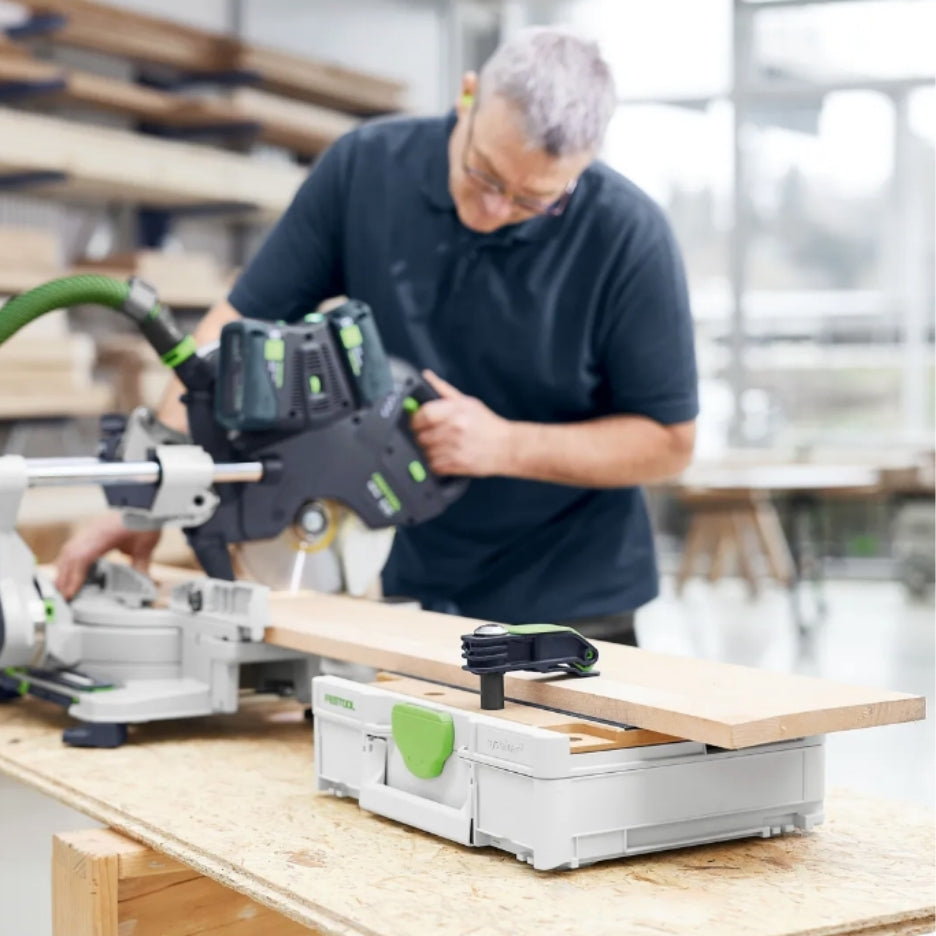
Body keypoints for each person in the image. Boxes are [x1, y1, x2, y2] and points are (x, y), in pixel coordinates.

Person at [56, 27, 698, 646]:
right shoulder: (366, 168)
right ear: (467, 96)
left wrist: (504, 445)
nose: (496, 210)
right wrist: (159, 491)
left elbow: (668, 443)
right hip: (405, 592)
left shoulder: (629, 238)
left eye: (534, 200)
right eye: (485, 174)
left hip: (574, 608)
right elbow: (230, 331)